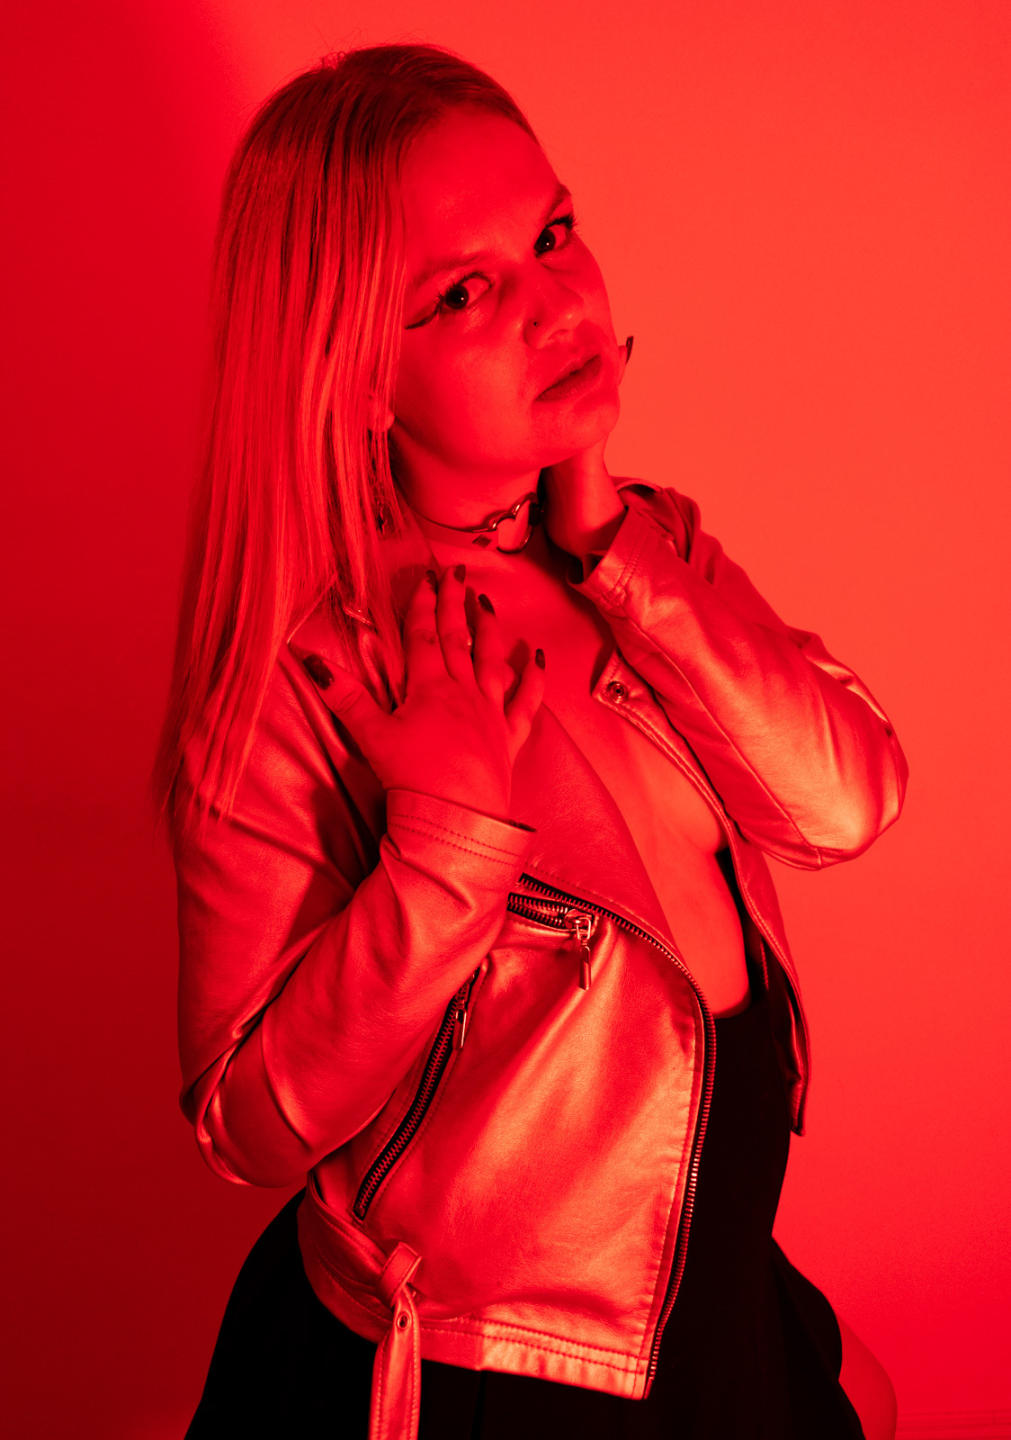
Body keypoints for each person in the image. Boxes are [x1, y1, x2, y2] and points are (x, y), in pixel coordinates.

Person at [155, 42, 907, 1440]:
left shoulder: (640, 551)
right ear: (354, 374)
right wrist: (441, 849)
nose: (557, 304)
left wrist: (624, 549)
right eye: (464, 291)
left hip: (707, 1300)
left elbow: (845, 803)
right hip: (483, 1387)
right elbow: (244, 1122)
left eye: (553, 233)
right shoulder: (306, 674)